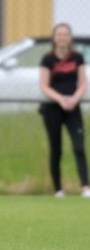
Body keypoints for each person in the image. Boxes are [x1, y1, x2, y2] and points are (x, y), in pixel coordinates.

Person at [39, 22, 90, 198]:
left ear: (70, 38)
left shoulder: (77, 58)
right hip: (53, 108)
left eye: (65, 34)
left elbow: (83, 83)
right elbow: (44, 86)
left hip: (73, 108)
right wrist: (60, 99)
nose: (62, 37)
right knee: (56, 149)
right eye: (59, 34)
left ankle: (85, 187)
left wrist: (74, 99)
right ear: (54, 38)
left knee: (79, 146)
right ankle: (58, 189)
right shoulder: (48, 59)